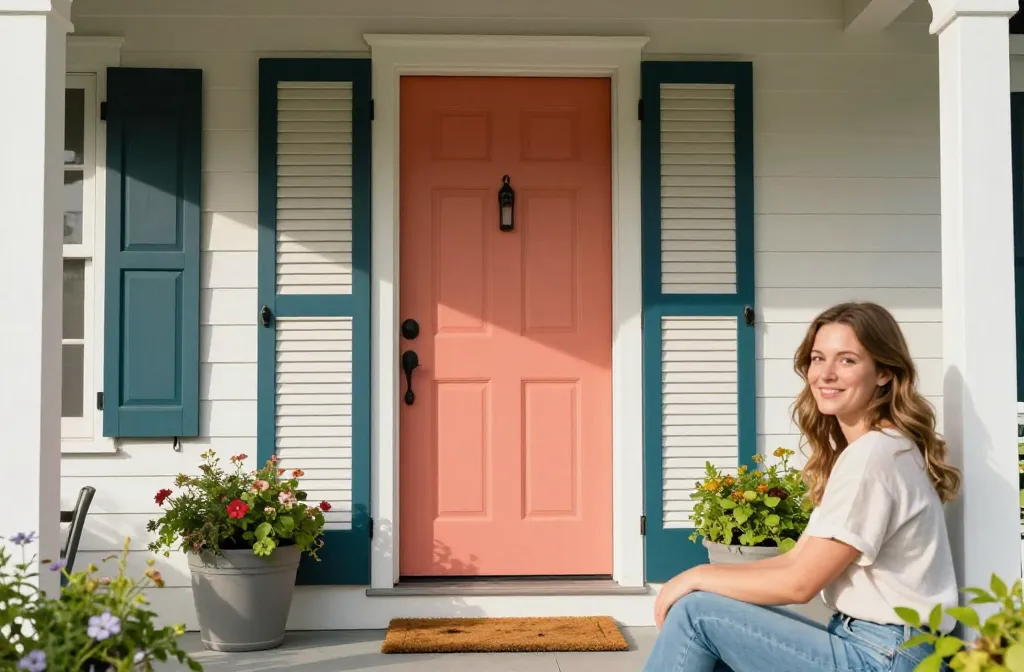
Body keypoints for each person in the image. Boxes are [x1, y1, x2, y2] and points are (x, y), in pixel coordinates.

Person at [641, 301, 961, 672]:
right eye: (817, 358)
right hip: (880, 647)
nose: (825, 374)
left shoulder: (875, 456)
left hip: (884, 657)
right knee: (709, 612)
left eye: (847, 360)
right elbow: (794, 561)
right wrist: (699, 578)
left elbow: (799, 584)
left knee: (698, 615)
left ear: (884, 373)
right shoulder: (880, 449)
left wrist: (693, 577)